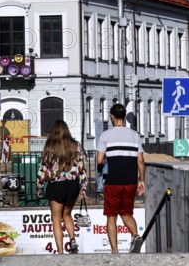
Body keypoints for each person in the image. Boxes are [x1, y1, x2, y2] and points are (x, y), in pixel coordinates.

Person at [96, 103, 145, 253]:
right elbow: (141, 160)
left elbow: (99, 160)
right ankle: (135, 236)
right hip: (130, 182)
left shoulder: (106, 135)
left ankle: (115, 251)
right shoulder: (135, 135)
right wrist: (142, 180)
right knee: (126, 213)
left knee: (111, 216)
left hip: (113, 182)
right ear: (124, 117)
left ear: (112, 117)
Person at [36, 120, 87, 254]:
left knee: (56, 218)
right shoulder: (76, 146)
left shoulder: (50, 146)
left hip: (56, 186)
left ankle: (60, 251)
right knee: (67, 214)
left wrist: (40, 186)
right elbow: (81, 168)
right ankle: (72, 240)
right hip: (72, 185)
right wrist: (83, 187)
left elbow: (43, 169)